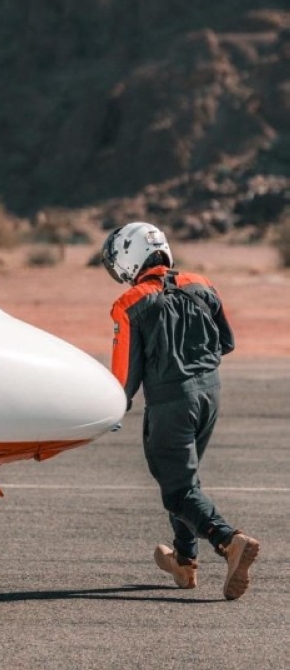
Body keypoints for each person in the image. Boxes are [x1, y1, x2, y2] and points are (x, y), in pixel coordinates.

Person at [102, 221, 259, 600]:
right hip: (210, 395)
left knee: (177, 491)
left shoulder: (130, 303)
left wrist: (110, 410)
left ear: (127, 259)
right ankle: (185, 561)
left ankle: (229, 540)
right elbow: (227, 341)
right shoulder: (200, 283)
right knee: (186, 481)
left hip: (172, 402)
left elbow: (124, 377)